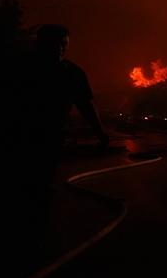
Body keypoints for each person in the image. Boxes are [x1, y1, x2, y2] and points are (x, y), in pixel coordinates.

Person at [11, 24, 109, 241]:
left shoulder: (72, 73)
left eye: (63, 44)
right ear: (40, 44)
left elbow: (85, 105)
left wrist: (100, 133)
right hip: (20, 134)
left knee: (43, 182)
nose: (59, 48)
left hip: (52, 135)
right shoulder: (20, 69)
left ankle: (35, 231)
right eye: (54, 43)